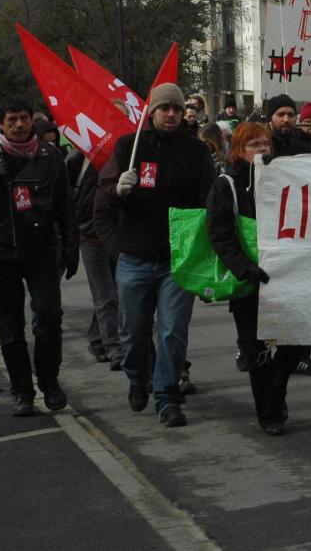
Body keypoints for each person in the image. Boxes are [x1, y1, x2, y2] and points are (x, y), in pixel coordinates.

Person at [94, 84, 216, 427]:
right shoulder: (129, 147)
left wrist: (207, 253)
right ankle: (138, 376)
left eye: (177, 109)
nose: (172, 114)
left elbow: (209, 201)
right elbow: (101, 202)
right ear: (152, 112)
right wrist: (118, 191)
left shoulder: (196, 152)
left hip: (177, 261)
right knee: (132, 334)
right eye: (165, 109)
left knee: (172, 332)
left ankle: (166, 397)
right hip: (134, 258)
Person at [207, 122, 310, 434]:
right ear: (239, 150)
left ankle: (277, 389)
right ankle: (269, 414)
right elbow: (220, 234)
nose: (262, 150)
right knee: (258, 351)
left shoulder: (283, 181)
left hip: (285, 275)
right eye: (254, 145)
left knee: (298, 341)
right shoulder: (226, 185)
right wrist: (243, 267)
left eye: (265, 144)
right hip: (250, 282)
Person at [0, 97, 77, 416]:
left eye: (23, 118)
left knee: (49, 317)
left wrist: (71, 246)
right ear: (0, 123)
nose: (18, 125)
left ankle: (49, 382)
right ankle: (22, 391)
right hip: (0, 253)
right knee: (11, 328)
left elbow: (65, 206)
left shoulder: (50, 156)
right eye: (11, 119)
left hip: (41, 251)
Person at [263, 94, 311, 376]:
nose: (286, 119)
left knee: (308, 297)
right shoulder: (261, 148)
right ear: (270, 118)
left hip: (300, 232)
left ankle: (302, 354)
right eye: (281, 114)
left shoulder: (302, 148)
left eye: (290, 114)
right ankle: (257, 349)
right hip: (268, 234)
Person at [67, 148, 122, 370]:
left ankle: (97, 340)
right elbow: (63, 195)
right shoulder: (79, 157)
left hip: (118, 236)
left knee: (114, 293)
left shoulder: (128, 154)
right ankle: (114, 349)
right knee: (106, 295)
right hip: (90, 236)